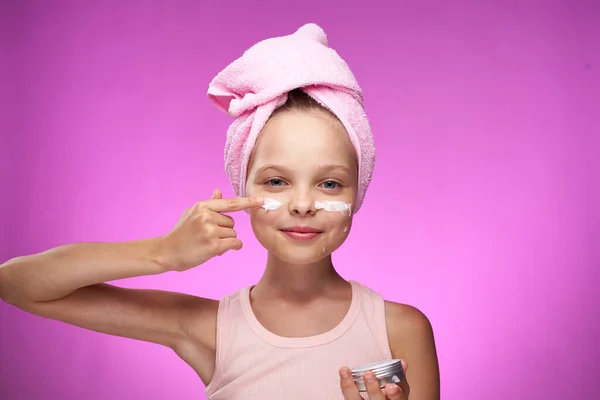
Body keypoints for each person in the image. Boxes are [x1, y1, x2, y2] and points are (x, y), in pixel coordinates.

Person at [0, 24, 439, 399]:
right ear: (240, 189)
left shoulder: (400, 330)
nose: (303, 204)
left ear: (356, 195)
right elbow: (18, 284)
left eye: (329, 184)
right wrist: (162, 254)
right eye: (276, 181)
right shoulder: (209, 328)